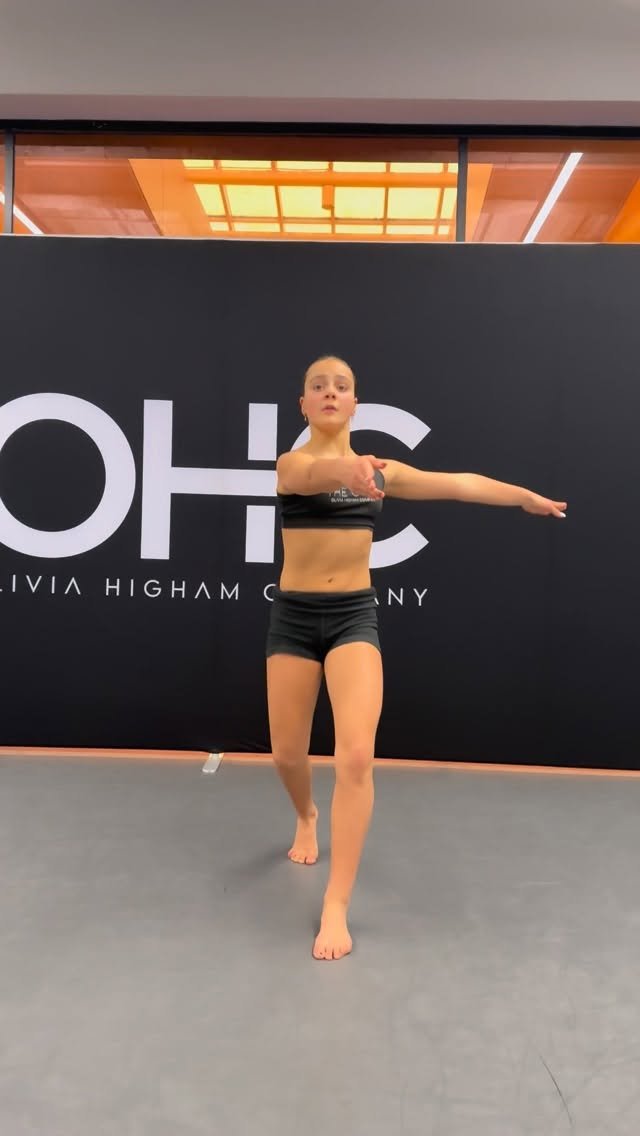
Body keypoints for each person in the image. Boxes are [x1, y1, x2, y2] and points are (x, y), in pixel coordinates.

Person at [266, 355, 567, 961]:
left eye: (341, 387)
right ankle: (306, 814)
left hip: (353, 616)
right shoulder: (290, 465)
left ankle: (336, 903)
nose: (330, 393)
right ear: (304, 404)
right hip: (294, 618)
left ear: (355, 403)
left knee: (356, 755)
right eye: (318, 387)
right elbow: (314, 474)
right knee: (288, 754)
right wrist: (348, 470)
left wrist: (522, 497)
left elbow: (459, 484)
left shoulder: (383, 471)